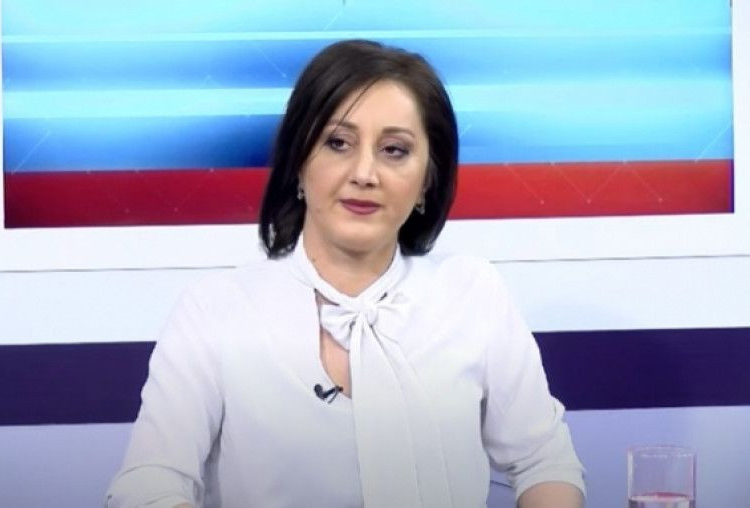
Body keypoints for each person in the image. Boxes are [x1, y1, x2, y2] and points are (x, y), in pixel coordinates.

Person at [106, 39, 585, 508]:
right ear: (299, 162)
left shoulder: (471, 293)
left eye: (394, 150)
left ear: (427, 179)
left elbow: (544, 462)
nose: (364, 173)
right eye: (338, 143)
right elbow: (148, 484)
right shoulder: (216, 309)